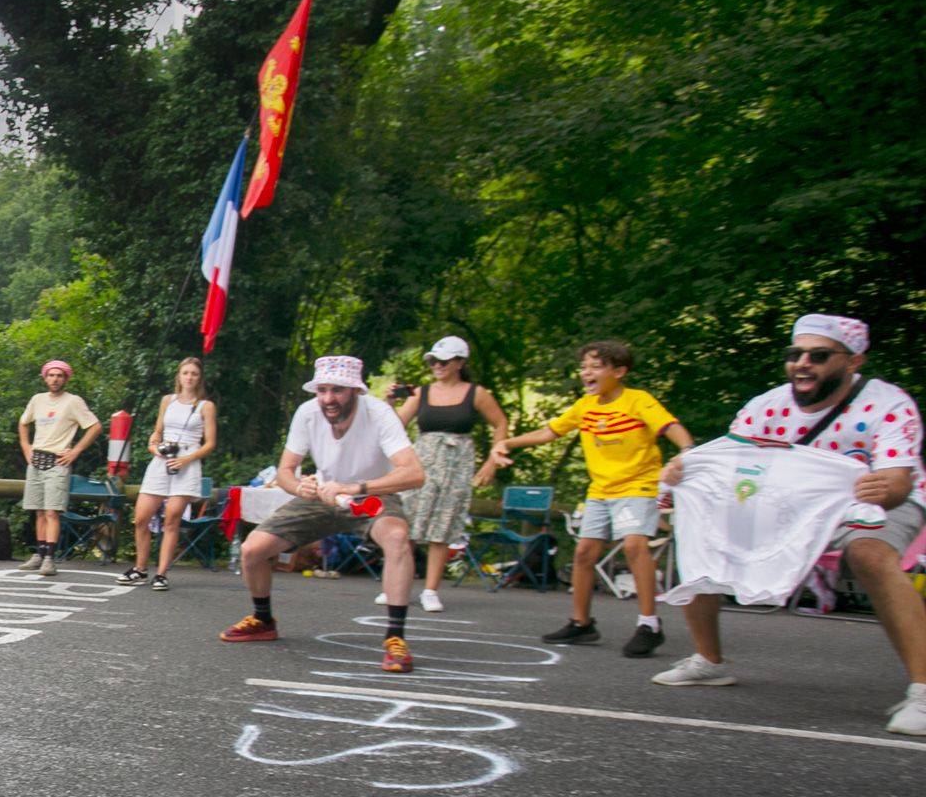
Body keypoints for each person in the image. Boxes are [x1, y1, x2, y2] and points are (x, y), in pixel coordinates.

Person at [651, 314, 926, 735]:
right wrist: (684, 470)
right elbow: (729, 461)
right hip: (788, 502)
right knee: (703, 526)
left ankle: (923, 692)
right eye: (795, 354)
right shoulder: (766, 406)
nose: (802, 364)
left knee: (869, 552)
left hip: (871, 500)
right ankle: (709, 661)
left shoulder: (889, 404)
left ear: (853, 361)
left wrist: (884, 487)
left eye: (819, 356)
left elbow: (898, 483)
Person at [218, 356, 426, 673]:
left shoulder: (379, 413)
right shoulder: (307, 413)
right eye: (322, 390)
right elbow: (285, 471)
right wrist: (299, 487)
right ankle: (263, 620)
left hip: (371, 494)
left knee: (397, 538)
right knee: (251, 550)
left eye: (337, 390)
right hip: (323, 495)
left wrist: (356, 487)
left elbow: (414, 473)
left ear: (355, 391)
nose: (328, 399)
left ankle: (395, 638)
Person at [495, 340, 693, 656]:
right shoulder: (585, 406)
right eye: (584, 367)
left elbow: (671, 426)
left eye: (596, 367)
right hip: (600, 490)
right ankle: (581, 623)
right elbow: (549, 432)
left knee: (634, 545)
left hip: (637, 485)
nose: (586, 372)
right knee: (584, 552)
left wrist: (685, 451)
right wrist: (507, 443)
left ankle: (649, 625)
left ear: (619, 371)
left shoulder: (637, 400)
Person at [388, 336, 510, 613]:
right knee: (408, 520)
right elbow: (395, 426)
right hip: (423, 461)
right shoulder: (420, 392)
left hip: (457, 463)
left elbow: (500, 422)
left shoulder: (476, 393)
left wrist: (493, 459)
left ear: (460, 363)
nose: (437, 366)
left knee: (442, 524)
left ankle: (430, 590)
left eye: (444, 361)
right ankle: (396, 585)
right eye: (433, 361)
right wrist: (390, 403)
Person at [118, 357, 217, 591]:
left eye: (194, 373)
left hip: (187, 461)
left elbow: (210, 443)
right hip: (162, 460)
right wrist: (154, 447)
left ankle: (161, 573)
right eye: (185, 373)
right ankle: (140, 568)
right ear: (179, 376)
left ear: (199, 378)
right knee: (141, 517)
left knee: (172, 519)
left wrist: (186, 459)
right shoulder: (167, 401)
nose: (189, 377)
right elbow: (157, 432)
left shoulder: (206, 406)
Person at [17, 359, 102, 575]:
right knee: (38, 511)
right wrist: (26, 446)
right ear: (45, 378)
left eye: (59, 376)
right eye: (51, 375)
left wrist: (76, 450)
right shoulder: (37, 400)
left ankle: (49, 557)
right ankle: (39, 552)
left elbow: (95, 426)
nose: (55, 379)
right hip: (37, 458)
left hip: (58, 460)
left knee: (52, 511)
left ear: (66, 378)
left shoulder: (73, 402)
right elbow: (23, 422)